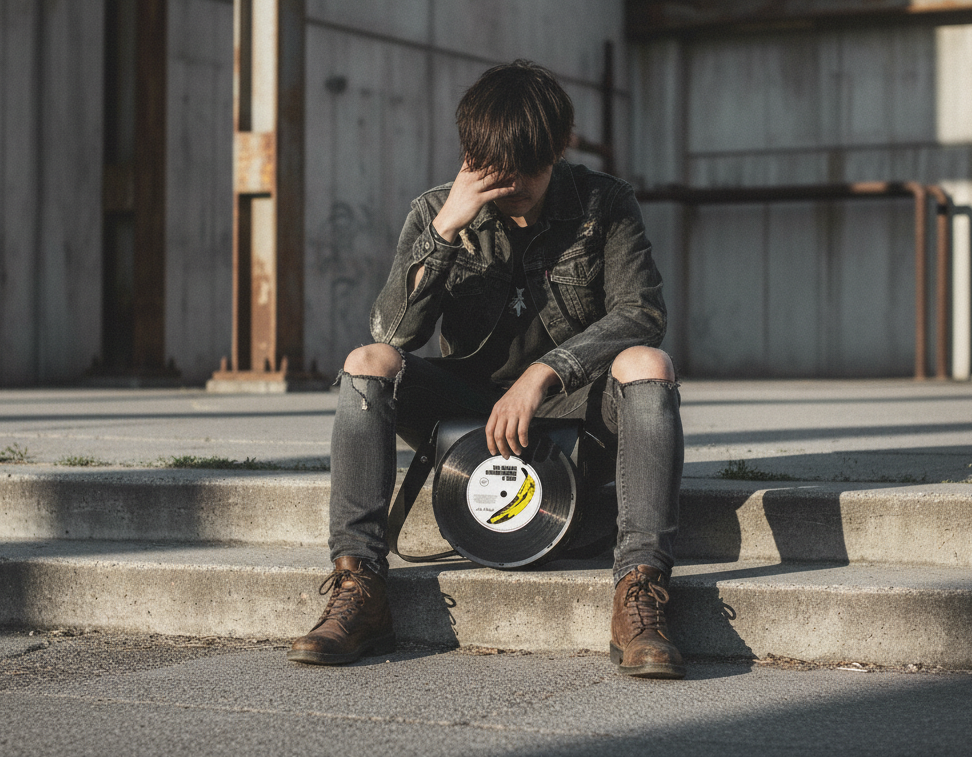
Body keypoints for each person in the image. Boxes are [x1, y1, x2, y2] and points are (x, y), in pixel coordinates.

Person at [288, 60, 685, 679]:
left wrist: (544, 373)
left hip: (572, 407)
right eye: (498, 168)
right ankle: (358, 584)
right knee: (367, 363)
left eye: (530, 168)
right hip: (466, 412)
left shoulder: (605, 203)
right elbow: (393, 333)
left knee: (647, 362)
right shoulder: (436, 213)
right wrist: (447, 229)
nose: (514, 184)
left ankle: (640, 589)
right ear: (472, 155)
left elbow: (641, 314)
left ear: (558, 148)